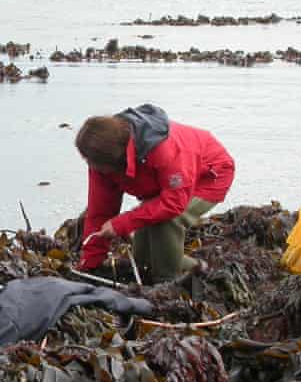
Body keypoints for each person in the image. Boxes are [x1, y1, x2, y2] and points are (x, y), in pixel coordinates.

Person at [75, 104, 235, 283]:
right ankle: (191, 267)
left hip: (209, 176)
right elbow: (100, 212)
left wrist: (121, 224)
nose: (91, 166)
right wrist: (90, 263)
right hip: (164, 184)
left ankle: (169, 281)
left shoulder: (164, 150)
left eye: (92, 162)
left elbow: (173, 203)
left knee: (168, 222)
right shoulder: (99, 162)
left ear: (113, 157)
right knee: (143, 260)